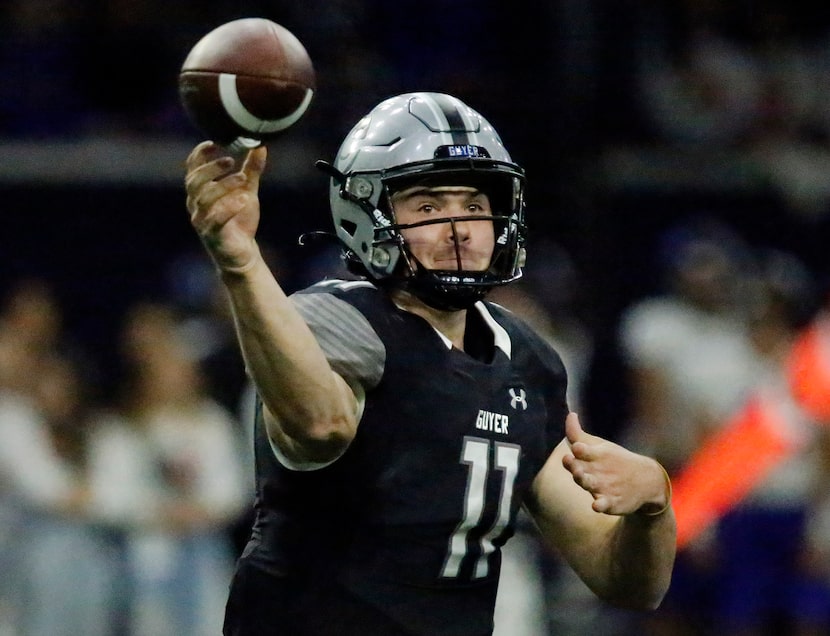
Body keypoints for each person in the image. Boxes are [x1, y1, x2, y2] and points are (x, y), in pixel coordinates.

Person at [183, 91, 676, 636]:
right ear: (366, 212)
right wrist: (240, 262)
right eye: (428, 206)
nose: (460, 226)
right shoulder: (336, 317)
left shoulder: (526, 358)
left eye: (473, 204)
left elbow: (627, 583)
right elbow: (321, 425)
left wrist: (652, 504)